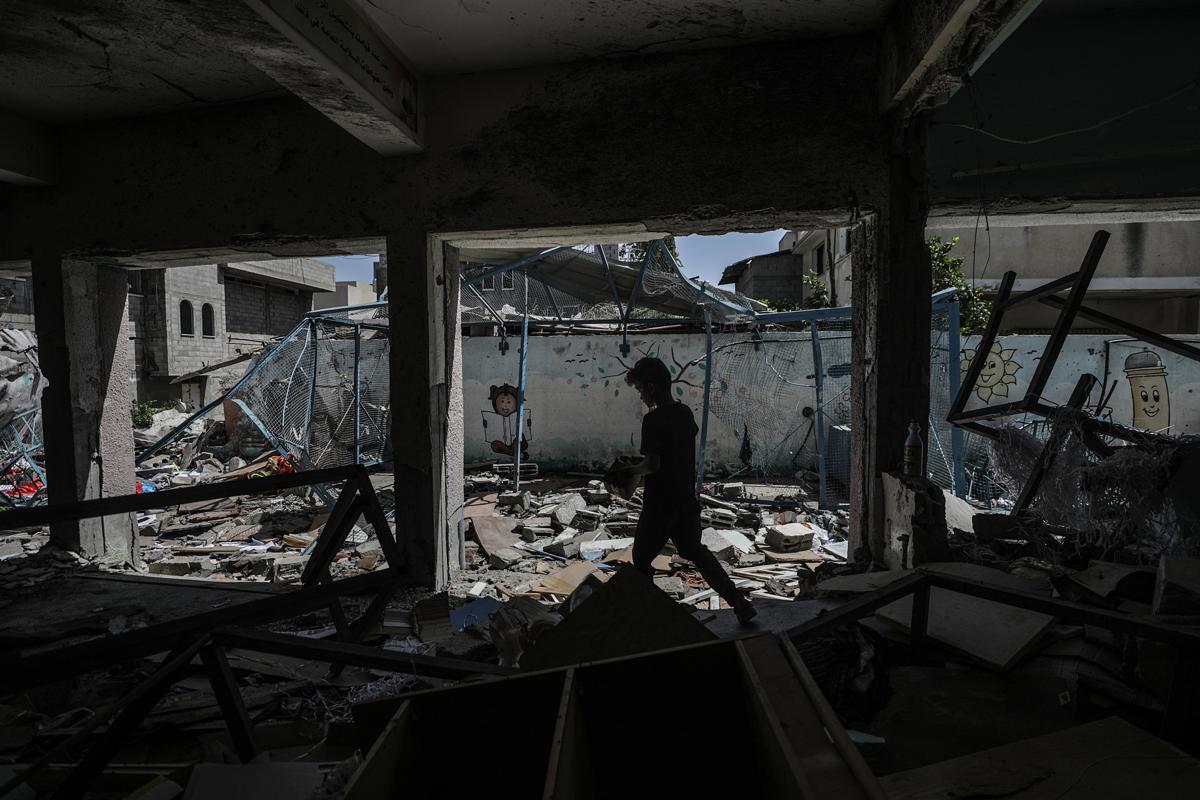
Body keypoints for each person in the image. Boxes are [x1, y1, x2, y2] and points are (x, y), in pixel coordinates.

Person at [607, 357, 756, 624]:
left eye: (640, 389)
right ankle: (739, 602)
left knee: (641, 560)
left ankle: (648, 620)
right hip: (685, 500)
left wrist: (629, 471)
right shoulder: (684, 413)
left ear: (651, 387)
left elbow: (653, 464)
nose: (640, 395)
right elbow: (674, 458)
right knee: (695, 551)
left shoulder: (653, 420)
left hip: (660, 504)